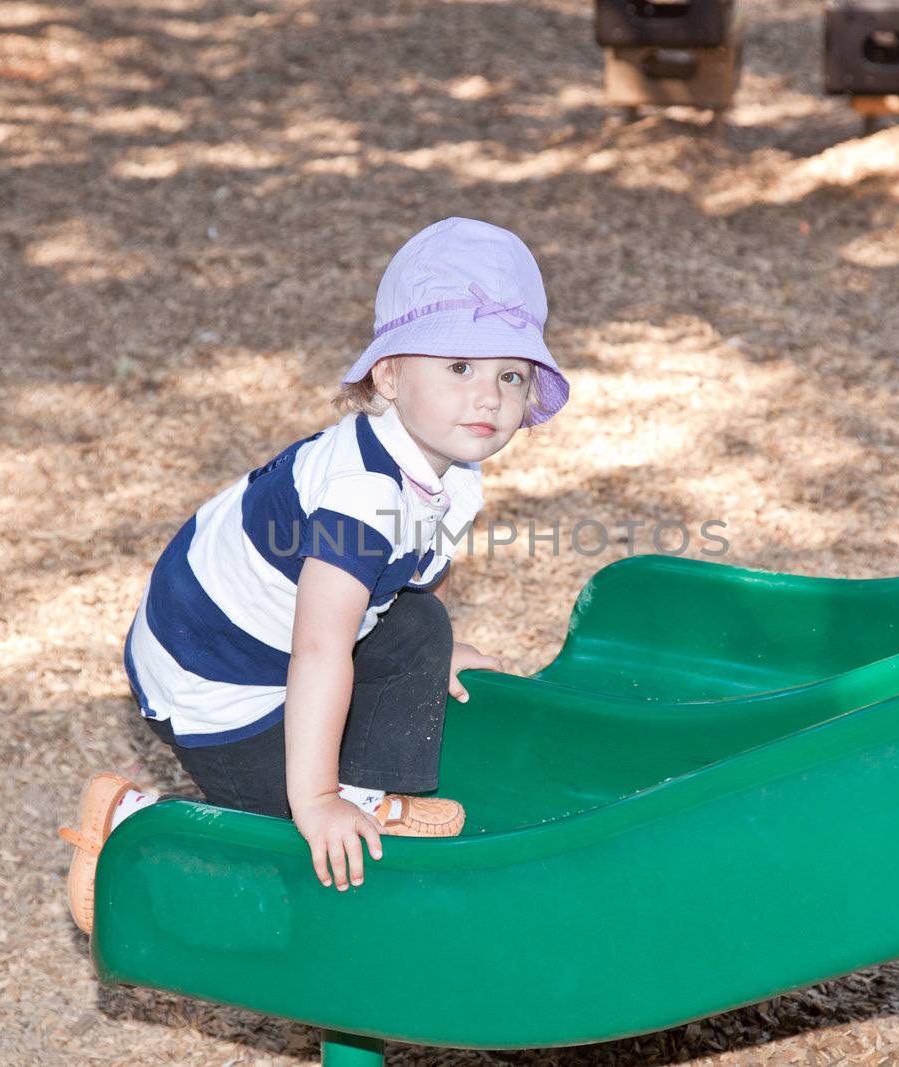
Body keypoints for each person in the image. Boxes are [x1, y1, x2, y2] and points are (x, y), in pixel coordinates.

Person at [58, 217, 570, 933]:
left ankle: (367, 790)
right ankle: (132, 823)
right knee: (297, 839)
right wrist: (318, 796)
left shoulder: (453, 473)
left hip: (285, 639)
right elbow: (320, 650)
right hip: (216, 676)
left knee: (423, 621)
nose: (488, 396)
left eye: (509, 375)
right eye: (460, 367)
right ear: (389, 376)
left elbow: (426, 567)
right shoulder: (358, 495)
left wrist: (439, 644)